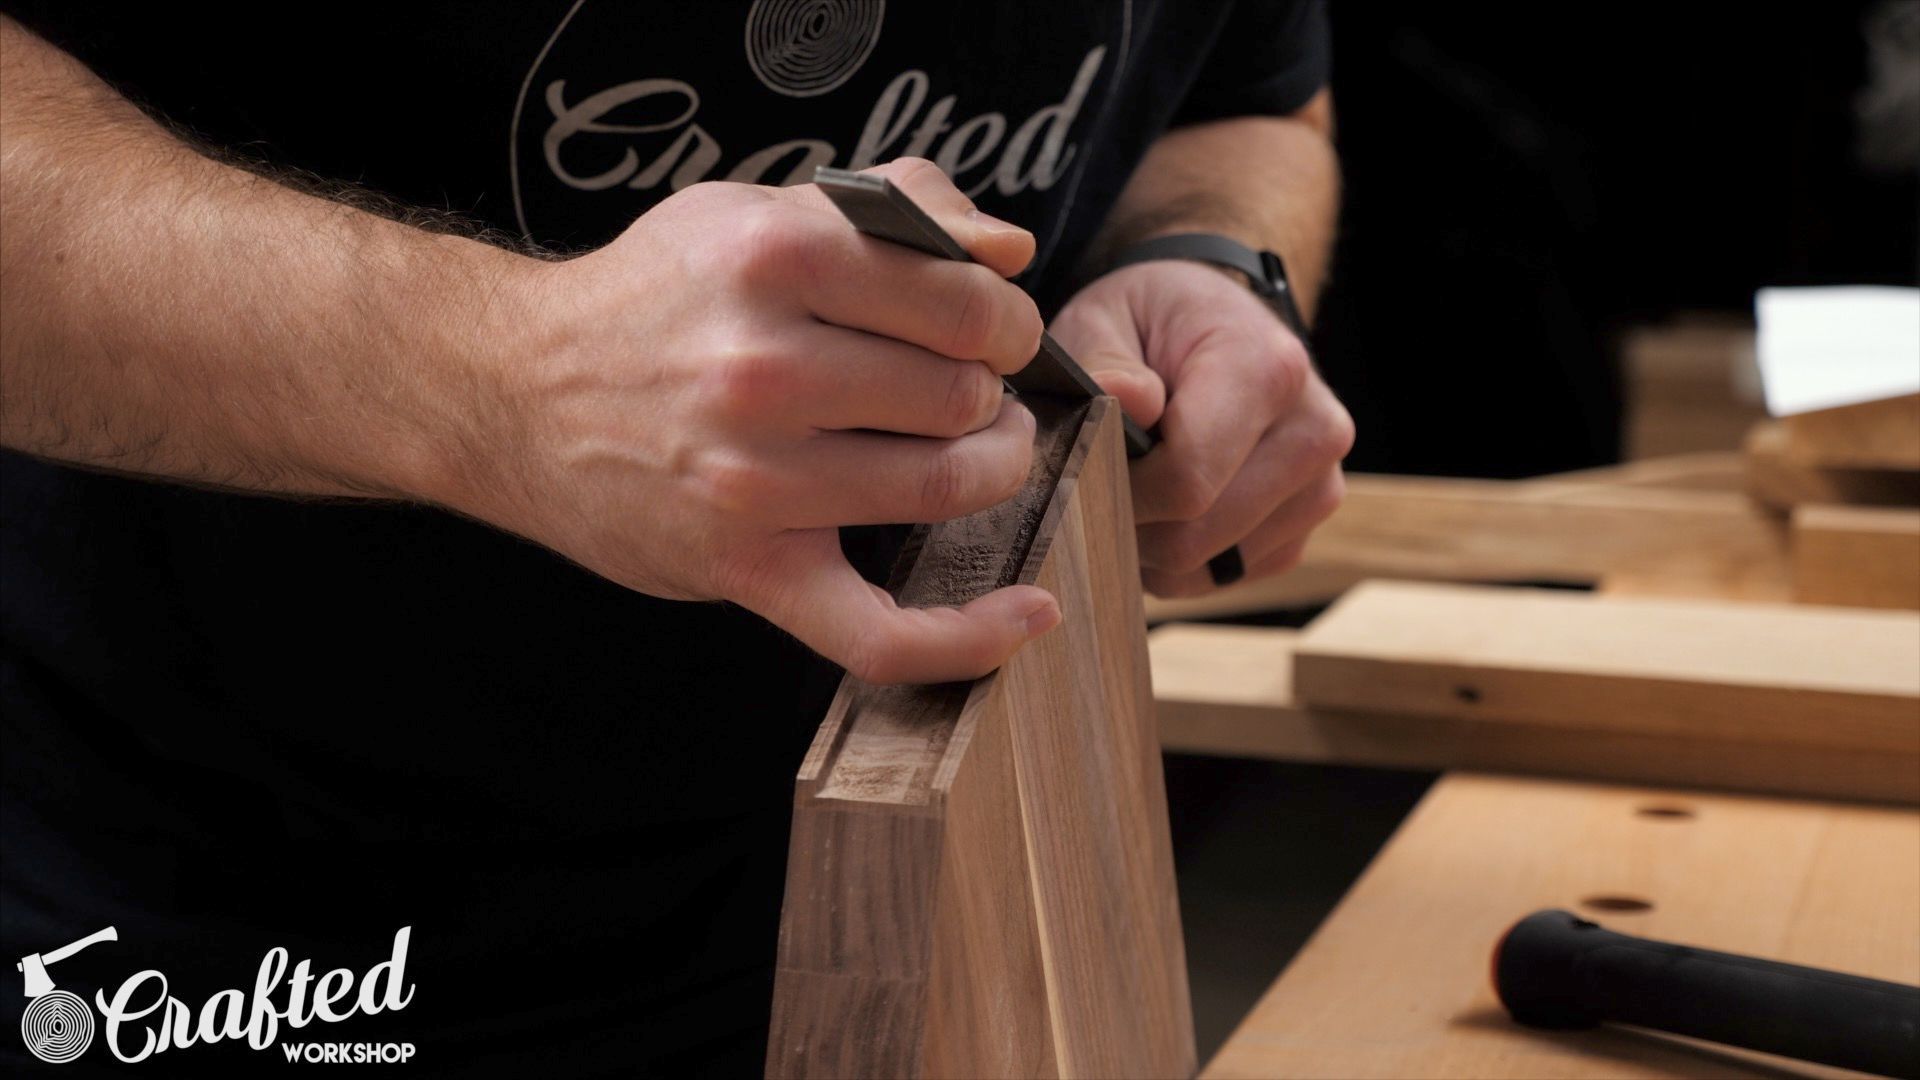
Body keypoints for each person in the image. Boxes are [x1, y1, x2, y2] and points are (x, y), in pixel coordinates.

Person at [0, 2, 1349, 1073]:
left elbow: (1246, 98)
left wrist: (1214, 263)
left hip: (902, 900)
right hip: (197, 932)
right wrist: (494, 374)